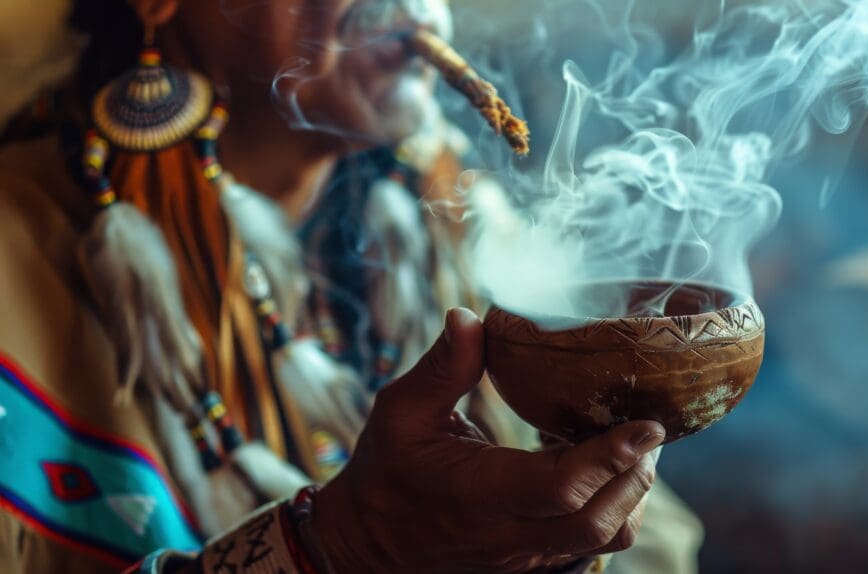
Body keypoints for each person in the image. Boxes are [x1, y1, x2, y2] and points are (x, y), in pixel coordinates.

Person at [0, 0, 702, 572]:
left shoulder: (454, 222)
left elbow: (657, 547)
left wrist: (555, 547)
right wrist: (333, 550)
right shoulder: (18, 255)